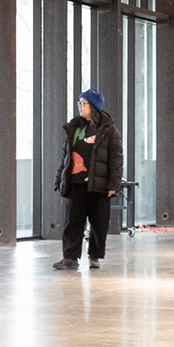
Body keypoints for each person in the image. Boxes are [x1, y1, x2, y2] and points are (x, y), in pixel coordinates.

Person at [52, 89, 124, 271]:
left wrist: (113, 185)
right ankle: (70, 258)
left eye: (82, 103)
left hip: (99, 185)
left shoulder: (109, 130)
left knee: (99, 223)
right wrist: (59, 181)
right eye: (79, 103)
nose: (79, 107)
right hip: (75, 184)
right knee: (72, 222)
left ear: (93, 106)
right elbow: (65, 157)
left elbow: (116, 159)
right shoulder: (75, 128)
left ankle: (95, 256)